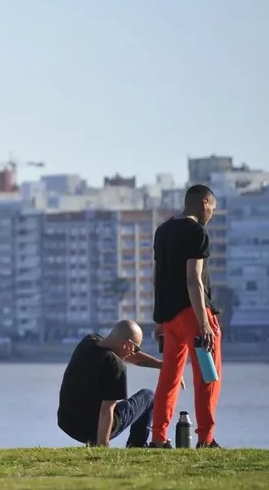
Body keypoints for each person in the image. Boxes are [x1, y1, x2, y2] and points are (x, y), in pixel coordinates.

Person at [151, 184, 223, 448]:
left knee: (169, 378)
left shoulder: (162, 231)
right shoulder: (197, 232)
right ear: (204, 202)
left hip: (169, 318)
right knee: (207, 377)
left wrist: (159, 319)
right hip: (194, 314)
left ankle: (158, 438)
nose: (211, 215)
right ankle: (206, 439)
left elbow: (158, 278)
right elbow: (194, 280)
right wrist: (204, 324)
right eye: (212, 209)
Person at [56, 320, 171, 448]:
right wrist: (102, 446)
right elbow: (107, 410)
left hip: (66, 422)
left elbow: (130, 355)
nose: (134, 353)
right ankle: (136, 445)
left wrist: (161, 365)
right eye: (136, 348)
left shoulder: (88, 342)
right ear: (126, 344)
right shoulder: (115, 365)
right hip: (90, 430)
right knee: (148, 396)